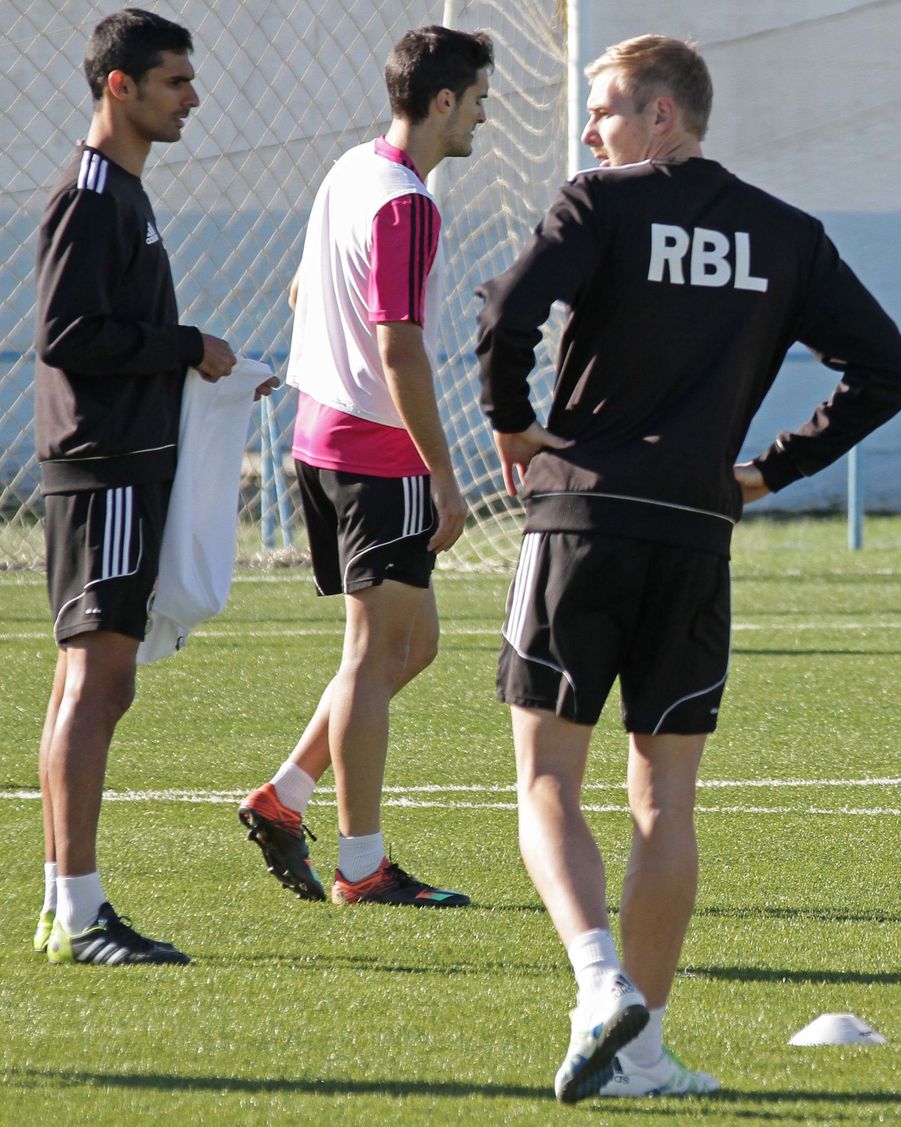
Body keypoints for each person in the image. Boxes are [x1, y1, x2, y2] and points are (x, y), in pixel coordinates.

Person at [475, 35, 901, 1103]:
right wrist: (763, 474)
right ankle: (644, 1051)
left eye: (605, 111)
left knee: (546, 778)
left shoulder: (599, 204)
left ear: (662, 115)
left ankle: (596, 983)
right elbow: (888, 370)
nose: (590, 133)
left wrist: (511, 427)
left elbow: (504, 313)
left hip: (580, 519)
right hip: (692, 530)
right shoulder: (786, 233)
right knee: (665, 799)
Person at [237, 26, 493, 909]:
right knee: (371, 653)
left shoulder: (351, 168)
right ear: (444, 101)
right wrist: (448, 480)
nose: (486, 119)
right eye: (480, 101)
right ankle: (361, 864)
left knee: (410, 646)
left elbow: (307, 292)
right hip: (374, 455)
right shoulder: (408, 203)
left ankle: (285, 796)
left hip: (324, 436)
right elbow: (400, 351)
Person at [33, 8, 243, 965]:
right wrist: (188, 347)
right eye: (175, 81)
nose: (193, 98)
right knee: (97, 677)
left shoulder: (126, 190)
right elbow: (67, 337)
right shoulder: (90, 194)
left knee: (93, 680)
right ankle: (81, 914)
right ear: (119, 85)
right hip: (103, 471)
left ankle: (62, 902)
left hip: (124, 468)